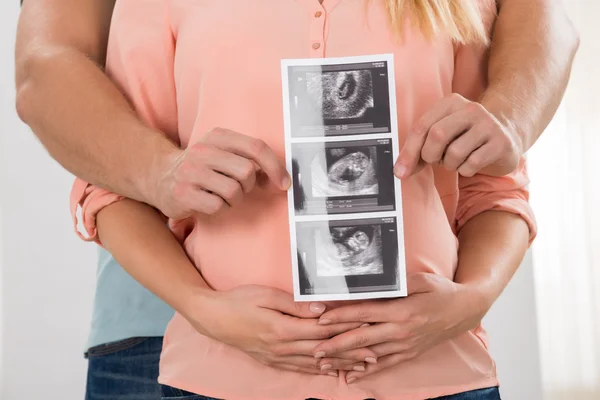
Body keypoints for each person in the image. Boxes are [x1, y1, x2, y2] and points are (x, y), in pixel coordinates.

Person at [13, 0, 578, 399]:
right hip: (190, 348)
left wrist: (472, 299)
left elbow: (496, 183)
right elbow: (57, 85)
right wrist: (165, 186)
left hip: (434, 369)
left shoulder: (451, 13)